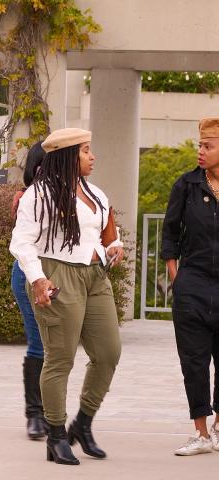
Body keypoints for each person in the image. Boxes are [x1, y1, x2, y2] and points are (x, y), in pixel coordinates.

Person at [9, 128, 123, 465]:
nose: (93, 157)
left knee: (108, 352)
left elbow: (106, 236)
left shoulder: (97, 195)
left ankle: (82, 424)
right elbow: (21, 242)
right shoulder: (39, 195)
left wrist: (114, 248)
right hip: (58, 275)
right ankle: (56, 435)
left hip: (95, 276)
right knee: (60, 358)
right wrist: (38, 279)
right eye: (86, 151)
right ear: (68, 155)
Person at [161, 117, 219, 456]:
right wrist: (176, 277)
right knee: (193, 362)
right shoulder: (186, 185)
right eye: (200, 145)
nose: (200, 151)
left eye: (208, 146)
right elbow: (170, 232)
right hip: (192, 286)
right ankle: (200, 432)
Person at [10, 142, 47, 440]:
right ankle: (35, 415)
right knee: (38, 344)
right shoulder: (28, 198)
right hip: (28, 275)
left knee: (58, 350)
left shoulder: (80, 196)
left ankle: (53, 413)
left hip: (65, 276)